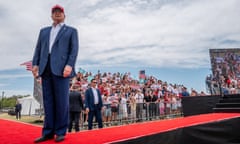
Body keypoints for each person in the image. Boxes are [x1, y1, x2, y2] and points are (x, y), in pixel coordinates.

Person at [32, 4, 79, 143]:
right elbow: (38, 48)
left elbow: (74, 49)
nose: (57, 13)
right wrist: (35, 64)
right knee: (48, 102)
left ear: (64, 15)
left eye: (60, 12)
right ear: (51, 15)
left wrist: (69, 65)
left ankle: (60, 131)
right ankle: (48, 132)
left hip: (62, 69)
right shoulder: (44, 31)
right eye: (54, 12)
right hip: (45, 68)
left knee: (61, 102)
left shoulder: (71, 31)